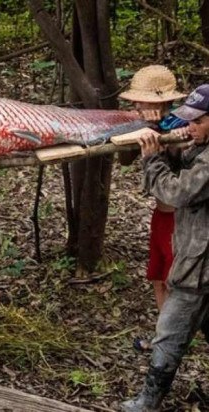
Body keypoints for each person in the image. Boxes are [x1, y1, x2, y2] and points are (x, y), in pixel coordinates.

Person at [121, 84, 209, 412]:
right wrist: (164, 145)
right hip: (198, 258)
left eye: (199, 121)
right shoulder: (200, 144)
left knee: (170, 328)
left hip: (200, 268)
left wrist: (153, 159)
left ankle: (148, 401)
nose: (191, 127)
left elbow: (178, 193)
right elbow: (184, 159)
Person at [118, 65, 188, 351]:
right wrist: (142, 129)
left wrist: (163, 134)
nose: (136, 105)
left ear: (159, 101)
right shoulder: (144, 126)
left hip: (180, 220)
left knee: (175, 282)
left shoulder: (183, 127)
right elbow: (124, 158)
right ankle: (164, 336)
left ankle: (174, 339)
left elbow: (178, 173)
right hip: (161, 215)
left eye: (141, 100)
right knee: (158, 278)